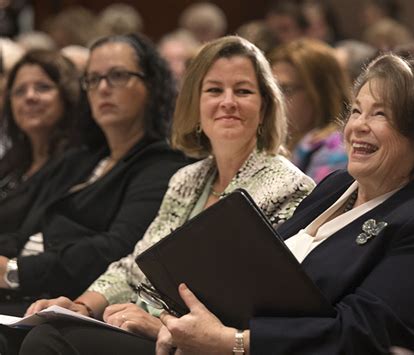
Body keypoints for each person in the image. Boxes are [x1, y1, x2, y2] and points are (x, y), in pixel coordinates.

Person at [152, 54, 414, 354]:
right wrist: (185, 324)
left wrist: (233, 342)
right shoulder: (337, 186)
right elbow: (253, 280)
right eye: (357, 110)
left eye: (380, 114)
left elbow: (366, 336)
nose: (357, 125)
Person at [18, 35, 315, 355]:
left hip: (204, 344)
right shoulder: (187, 178)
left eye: (243, 91)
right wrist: (82, 306)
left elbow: (258, 305)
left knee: (49, 341)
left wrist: (160, 323)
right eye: (214, 90)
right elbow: (137, 265)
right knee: (36, 330)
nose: (228, 102)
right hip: (145, 324)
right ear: (195, 105)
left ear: (265, 107)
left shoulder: (289, 186)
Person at [0, 33, 187, 318]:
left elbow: (116, 248)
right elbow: (25, 227)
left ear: (151, 85)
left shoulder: (162, 164)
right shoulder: (82, 158)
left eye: (118, 76)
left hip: (68, 301)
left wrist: (15, 271)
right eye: (93, 79)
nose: (103, 88)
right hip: (23, 290)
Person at [0, 49, 81, 234]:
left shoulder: (77, 164)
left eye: (43, 87)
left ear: (67, 95)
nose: (30, 97)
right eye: (19, 91)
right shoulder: (13, 159)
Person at [269, 38, 351, 183]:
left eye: (285, 89)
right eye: (271, 89)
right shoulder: (280, 142)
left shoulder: (336, 151)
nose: (274, 100)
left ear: (320, 93)